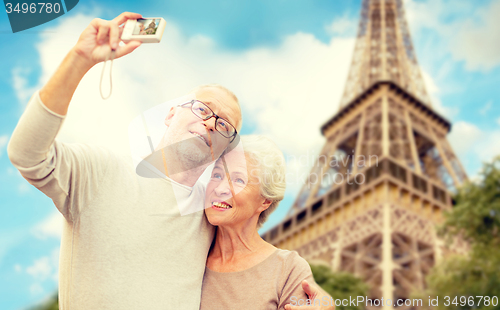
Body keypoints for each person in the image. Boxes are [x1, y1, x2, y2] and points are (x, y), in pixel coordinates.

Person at [8, 11, 333, 310]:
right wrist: (79, 59)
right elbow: (25, 153)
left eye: (224, 126)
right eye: (203, 109)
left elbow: (253, 264)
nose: (210, 123)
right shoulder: (99, 172)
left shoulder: (210, 215)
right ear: (170, 114)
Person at [201, 135, 318, 309]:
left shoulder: (288, 270)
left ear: (265, 201)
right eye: (217, 175)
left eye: (239, 180)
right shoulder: (191, 251)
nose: (219, 189)